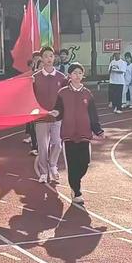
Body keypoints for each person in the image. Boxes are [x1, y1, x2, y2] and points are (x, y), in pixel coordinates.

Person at [50, 63, 104, 205]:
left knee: (84, 163)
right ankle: (76, 191)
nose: (77, 75)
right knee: (72, 165)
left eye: (80, 73)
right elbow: (58, 109)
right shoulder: (62, 93)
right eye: (74, 73)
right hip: (68, 134)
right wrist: (56, 113)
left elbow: (93, 114)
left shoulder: (87, 93)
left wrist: (98, 130)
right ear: (69, 75)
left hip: (84, 133)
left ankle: (75, 180)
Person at [32, 46, 66, 183]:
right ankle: (43, 173)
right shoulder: (35, 78)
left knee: (57, 144)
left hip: (56, 117)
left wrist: (59, 110)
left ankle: (53, 165)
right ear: (41, 58)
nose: (49, 59)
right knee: (42, 146)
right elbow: (30, 97)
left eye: (51, 56)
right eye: (46, 56)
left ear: (54, 58)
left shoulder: (61, 77)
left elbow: (64, 97)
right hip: (41, 118)